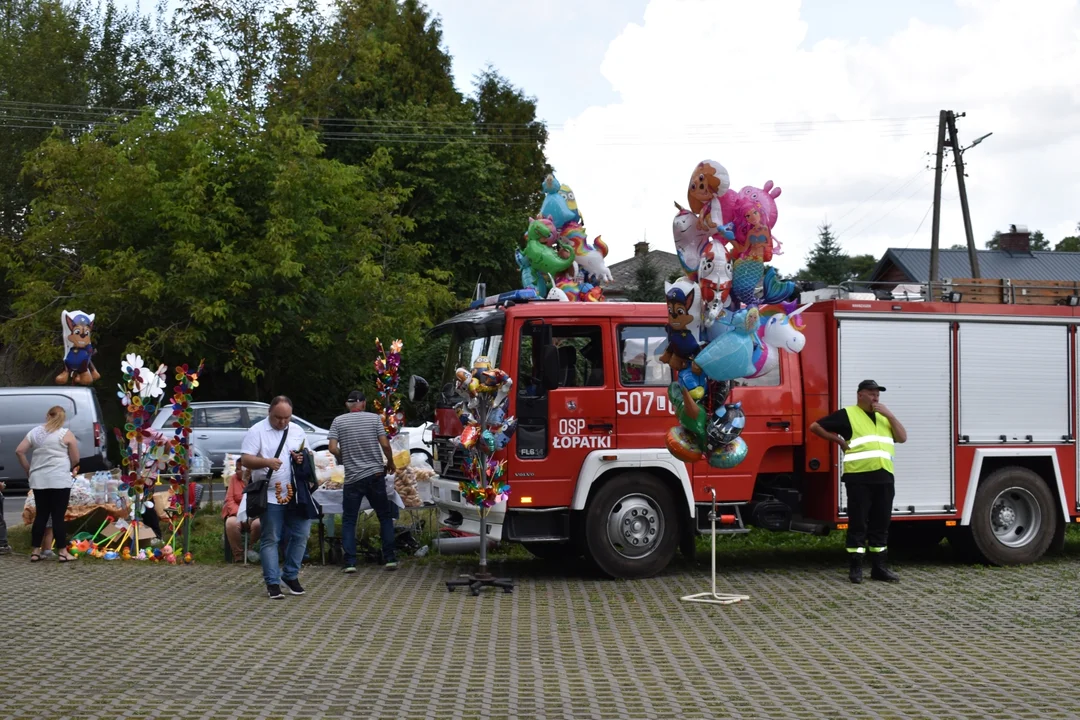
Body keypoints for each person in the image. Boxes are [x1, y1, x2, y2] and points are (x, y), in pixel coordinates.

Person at [810, 379, 907, 584]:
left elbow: (902, 437)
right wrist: (839, 441)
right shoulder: (848, 415)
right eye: (871, 393)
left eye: (878, 394)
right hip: (859, 479)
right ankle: (856, 568)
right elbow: (815, 426)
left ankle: (879, 568)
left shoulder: (883, 418)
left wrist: (889, 414)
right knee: (858, 524)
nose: (875, 397)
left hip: (884, 478)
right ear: (860, 395)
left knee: (881, 524)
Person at [240, 395, 311, 600]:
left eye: (287, 418)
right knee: (271, 537)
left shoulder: (297, 430)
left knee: (301, 533)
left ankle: (290, 575)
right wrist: (266, 462)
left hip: (295, 492)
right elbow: (245, 459)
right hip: (270, 493)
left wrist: (301, 457)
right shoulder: (257, 431)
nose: (283, 422)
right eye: (278, 418)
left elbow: (305, 453)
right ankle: (272, 582)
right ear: (269, 413)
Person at [328, 390, 398, 574]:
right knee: (384, 515)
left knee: (349, 520)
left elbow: (332, 448)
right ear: (364, 404)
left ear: (347, 405)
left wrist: (344, 457)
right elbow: (384, 444)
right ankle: (390, 558)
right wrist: (390, 462)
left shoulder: (338, 421)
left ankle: (350, 562)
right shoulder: (374, 419)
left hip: (352, 479)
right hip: (375, 475)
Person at [15, 406, 80, 563]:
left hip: (39, 480)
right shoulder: (66, 434)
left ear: (47, 416)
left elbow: (19, 451)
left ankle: (35, 551)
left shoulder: (35, 432)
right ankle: (63, 552)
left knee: (41, 516)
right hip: (59, 480)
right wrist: (72, 467)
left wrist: (28, 470)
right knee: (58, 517)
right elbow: (76, 458)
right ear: (63, 418)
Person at [222, 458, 262, 563]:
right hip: (238, 512)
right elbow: (229, 500)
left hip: (255, 514)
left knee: (258, 524)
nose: (236, 471)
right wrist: (240, 514)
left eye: (238, 469)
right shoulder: (234, 479)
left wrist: (250, 515)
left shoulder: (257, 478)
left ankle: (251, 549)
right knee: (230, 523)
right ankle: (238, 555)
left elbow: (261, 500)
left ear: (246, 470)